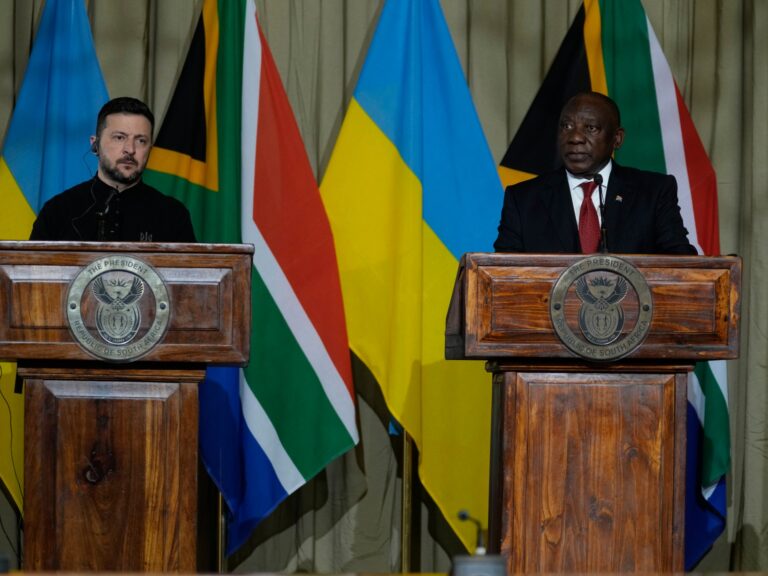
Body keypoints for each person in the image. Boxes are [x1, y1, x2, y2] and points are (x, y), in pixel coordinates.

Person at [494, 91, 697, 255]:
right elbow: (502, 273)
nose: (575, 138)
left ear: (617, 139)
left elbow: (681, 264)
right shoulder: (523, 199)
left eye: (590, 128)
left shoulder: (653, 192)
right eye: (566, 126)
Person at [29, 97, 196, 242]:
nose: (130, 149)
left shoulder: (173, 215)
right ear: (95, 145)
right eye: (119, 137)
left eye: (141, 141)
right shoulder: (58, 211)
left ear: (150, 148)